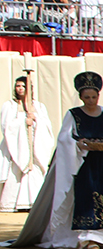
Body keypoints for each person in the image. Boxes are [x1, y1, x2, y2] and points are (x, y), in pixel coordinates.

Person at [7, 71, 103, 249]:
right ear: (81, 97)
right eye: (87, 97)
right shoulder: (74, 114)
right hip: (84, 165)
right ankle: (88, 240)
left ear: (98, 95)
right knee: (86, 200)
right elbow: (64, 139)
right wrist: (79, 144)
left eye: (93, 97)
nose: (91, 100)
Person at [1, 76, 56, 212]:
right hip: (17, 147)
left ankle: (34, 202)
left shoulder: (38, 106)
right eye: (18, 86)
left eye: (23, 86)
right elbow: (6, 126)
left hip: (34, 145)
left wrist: (35, 119)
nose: (20, 88)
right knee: (16, 171)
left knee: (35, 170)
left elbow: (46, 125)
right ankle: (14, 203)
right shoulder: (10, 105)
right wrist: (23, 122)